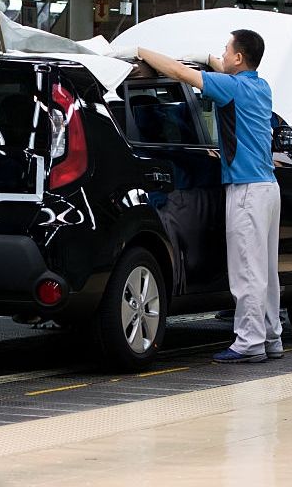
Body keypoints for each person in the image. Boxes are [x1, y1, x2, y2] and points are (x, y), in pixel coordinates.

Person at [121, 30, 282, 364]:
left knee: (247, 272)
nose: (222, 55)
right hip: (268, 188)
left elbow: (180, 73)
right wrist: (210, 59)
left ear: (239, 58)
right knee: (266, 270)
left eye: (226, 50)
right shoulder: (260, 86)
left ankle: (249, 343)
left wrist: (140, 50)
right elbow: (222, 72)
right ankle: (270, 336)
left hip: (246, 191)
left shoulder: (231, 88)